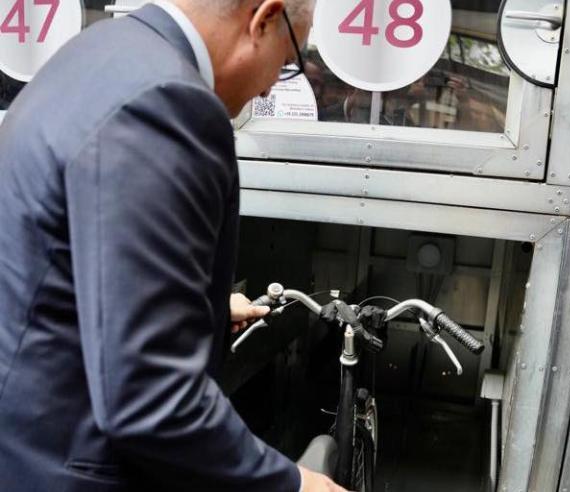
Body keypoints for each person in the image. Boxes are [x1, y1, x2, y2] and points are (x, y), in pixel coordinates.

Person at [0, 0, 347, 490]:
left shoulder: (97, 51)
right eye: (286, 61)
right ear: (264, 18)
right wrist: (295, 483)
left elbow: (60, 256)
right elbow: (150, 397)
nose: (272, 85)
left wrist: (196, 307)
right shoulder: (168, 101)